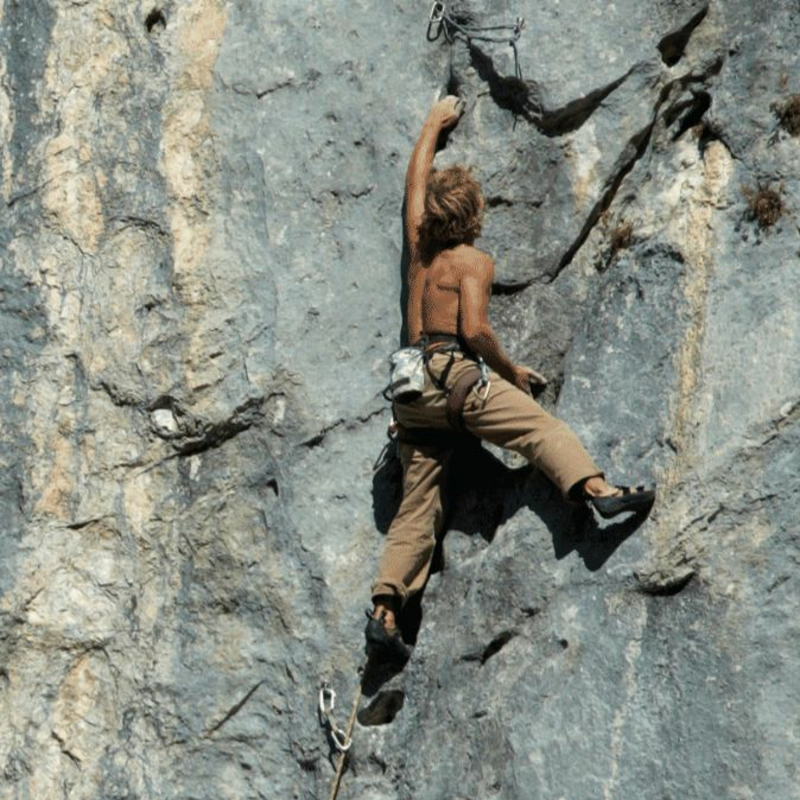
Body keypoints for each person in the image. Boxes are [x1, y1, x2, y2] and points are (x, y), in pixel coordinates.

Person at [365, 96, 655, 659]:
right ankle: (599, 492)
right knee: (539, 430)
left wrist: (431, 124)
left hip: (410, 396)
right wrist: (510, 370)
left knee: (417, 508)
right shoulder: (472, 261)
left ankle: (385, 611)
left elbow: (413, 185)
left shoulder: (420, 249)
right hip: (455, 379)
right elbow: (474, 329)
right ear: (473, 215)